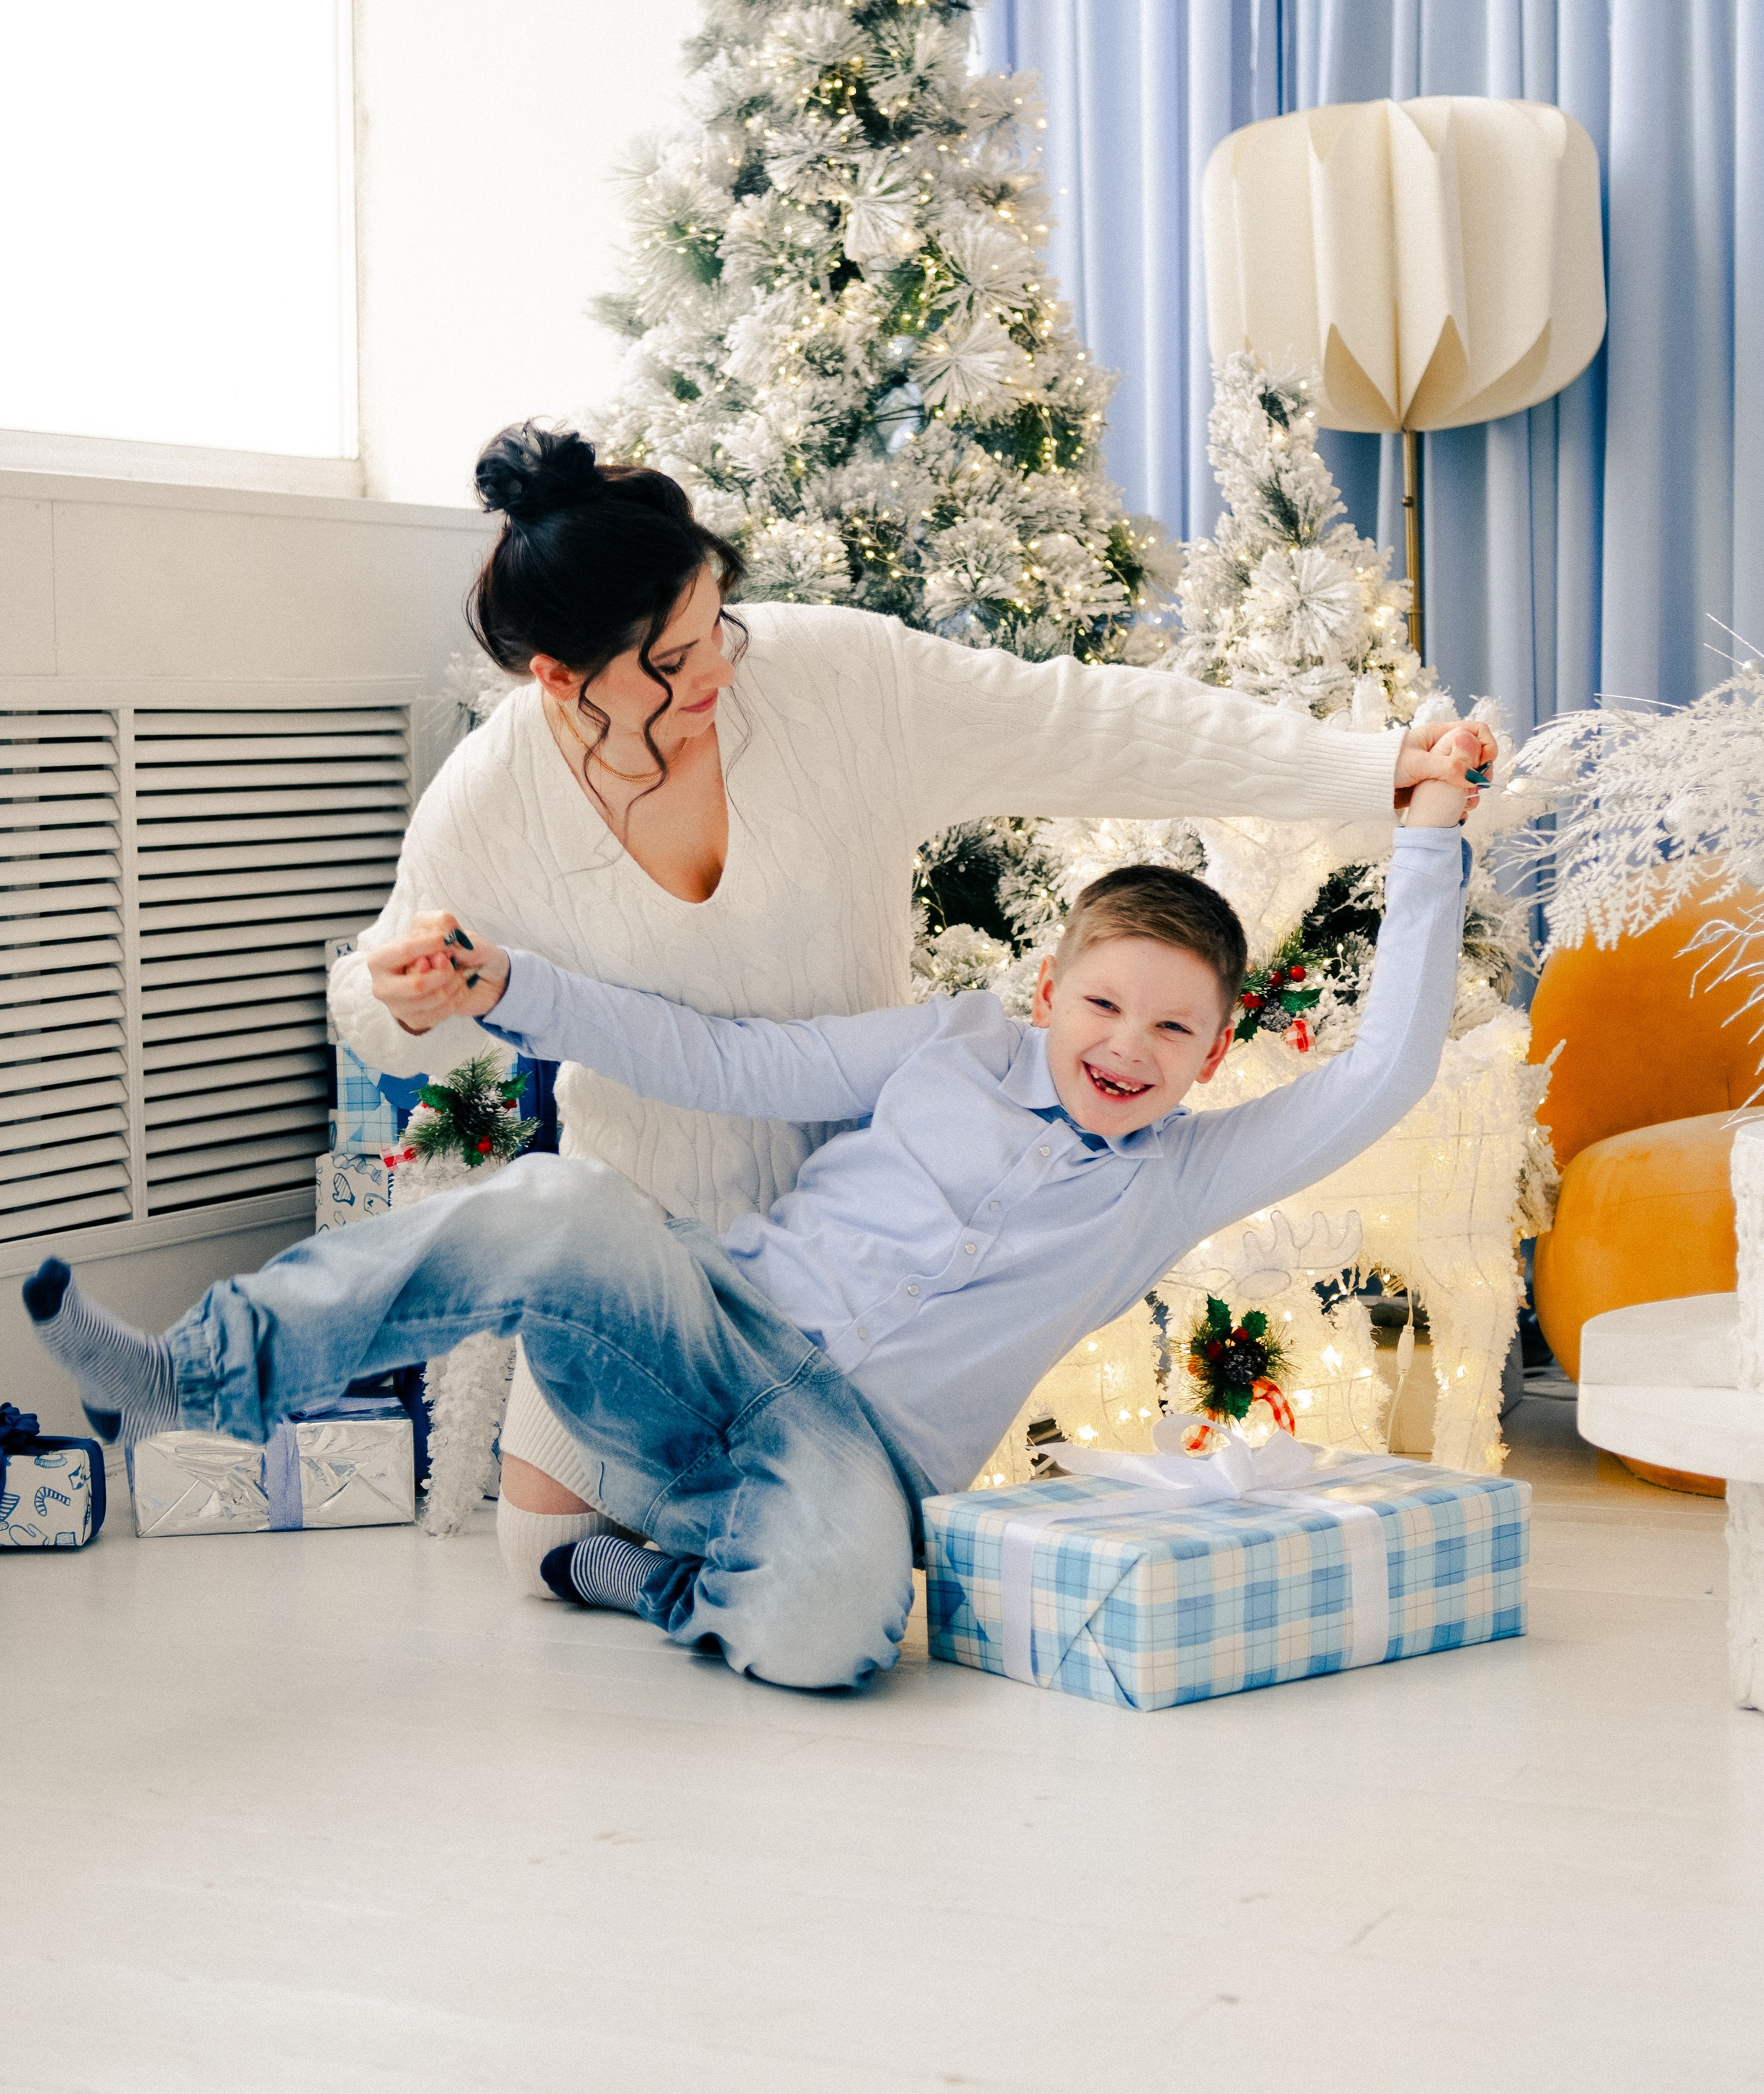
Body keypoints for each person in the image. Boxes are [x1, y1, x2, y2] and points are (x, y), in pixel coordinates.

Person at [24, 736, 1480, 1689]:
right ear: (1046, 993)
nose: (1124, 1046)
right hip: (711, 1332)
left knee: (833, 1637)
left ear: (1212, 1054)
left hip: (845, 1458)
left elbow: (1385, 1069)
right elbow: (724, 1060)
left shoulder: (1181, 1173)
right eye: (1101, 1003)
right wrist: (509, 985)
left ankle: (636, 1577)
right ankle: (196, 1374)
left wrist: (1422, 838)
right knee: (559, 1201)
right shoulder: (949, 1041)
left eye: (1170, 1033)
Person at [331, 423, 1495, 1594]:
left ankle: (750, 1564)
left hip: (854, 1202)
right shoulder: (493, 798)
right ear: (563, 679)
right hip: (665, 1243)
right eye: (676, 660)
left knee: (821, 1586)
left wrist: (1364, 773)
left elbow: (1089, 723)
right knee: (543, 1553)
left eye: (717, 623)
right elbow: (394, 1000)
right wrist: (404, 993)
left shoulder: (832, 684)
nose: (719, 670)